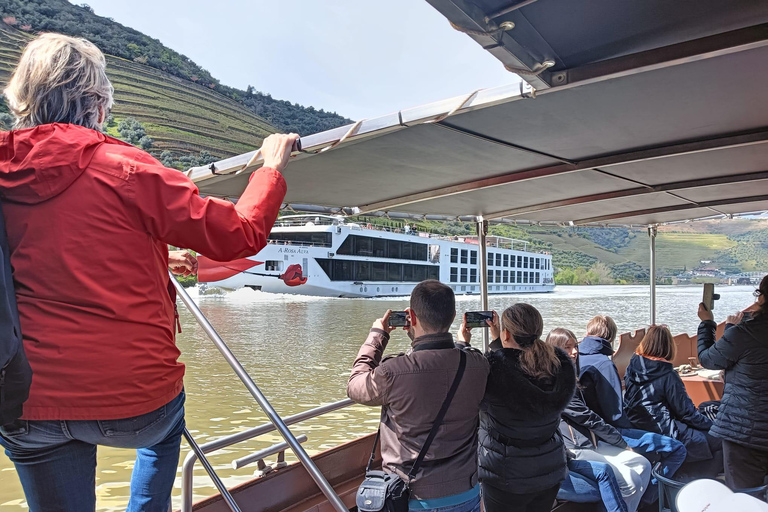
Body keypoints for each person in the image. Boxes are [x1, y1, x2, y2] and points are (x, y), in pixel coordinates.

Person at [0, 33, 297, 512]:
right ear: (96, 104)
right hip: (133, 398)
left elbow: (49, 252)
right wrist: (270, 169)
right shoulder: (126, 168)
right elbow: (239, 234)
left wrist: (158, 257)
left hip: (24, 395)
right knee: (163, 427)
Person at [347, 280, 490, 512]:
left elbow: (355, 386)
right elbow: (451, 361)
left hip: (412, 497)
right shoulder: (479, 365)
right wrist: (461, 343)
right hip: (466, 491)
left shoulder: (393, 371)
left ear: (411, 317)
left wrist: (377, 335)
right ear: (453, 316)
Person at [459, 306, 576, 512]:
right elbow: (517, 369)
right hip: (548, 469)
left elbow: (463, 385)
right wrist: (499, 342)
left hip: (506, 474)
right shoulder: (558, 365)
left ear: (506, 333)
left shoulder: (491, 370)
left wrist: (462, 345)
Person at [578, 315, 687, 503]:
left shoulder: (577, 359)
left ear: (587, 333)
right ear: (611, 337)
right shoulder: (604, 364)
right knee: (677, 449)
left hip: (586, 431)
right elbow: (615, 413)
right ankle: (646, 499)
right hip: (608, 431)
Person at [546, 328, 651, 512]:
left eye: (575, 346)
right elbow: (589, 418)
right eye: (568, 348)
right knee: (630, 482)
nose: (575, 352)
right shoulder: (556, 386)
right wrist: (621, 442)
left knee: (643, 464)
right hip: (576, 447)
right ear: (555, 351)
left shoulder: (570, 378)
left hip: (591, 441)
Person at [624, 325, 723, 478]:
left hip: (639, 425)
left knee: (704, 416)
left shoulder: (633, 366)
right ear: (668, 346)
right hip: (666, 430)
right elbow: (687, 414)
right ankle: (696, 481)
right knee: (721, 440)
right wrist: (714, 427)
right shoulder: (667, 374)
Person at [698, 275, 768, 490]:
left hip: (745, 431)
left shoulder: (745, 332)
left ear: (762, 297)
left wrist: (708, 323)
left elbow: (708, 359)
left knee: (744, 496)